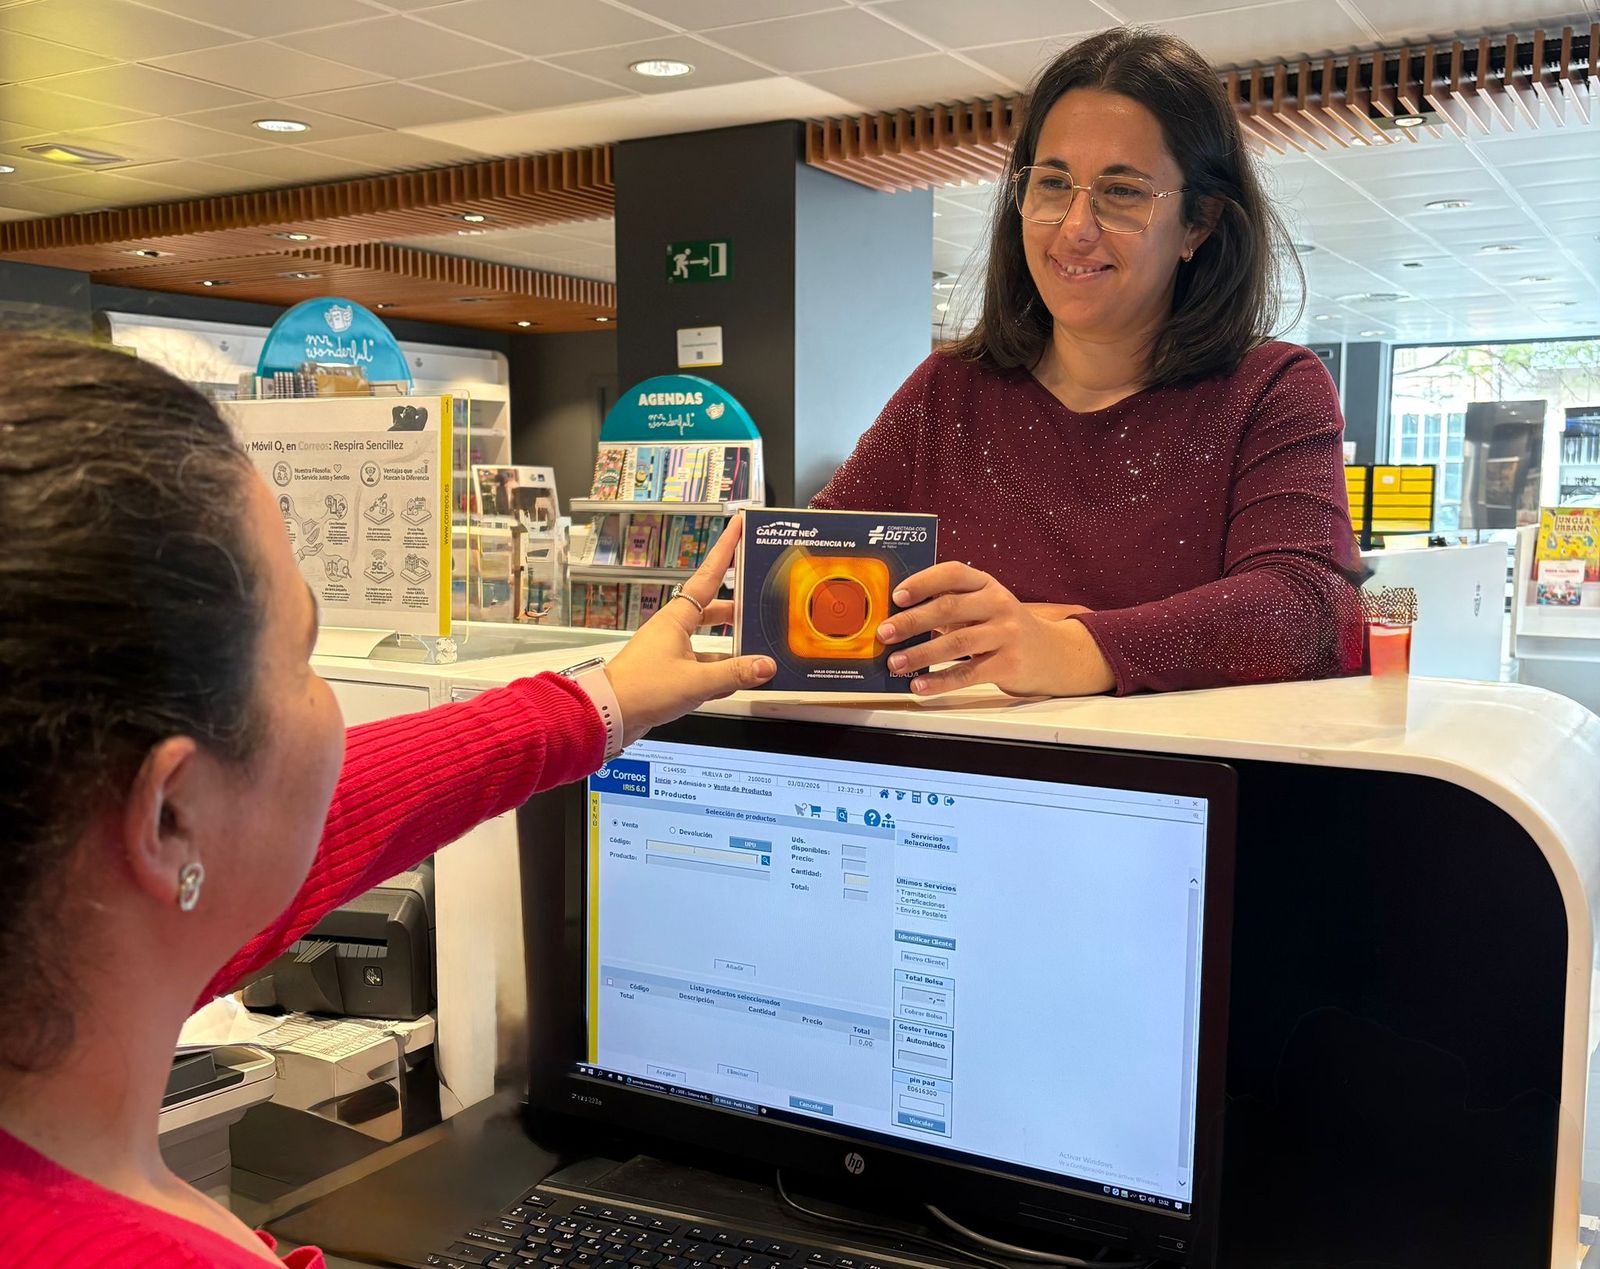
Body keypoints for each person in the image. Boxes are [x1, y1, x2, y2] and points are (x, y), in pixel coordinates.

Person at [0, 334, 774, 1267]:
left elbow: (343, 804)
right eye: (302, 654)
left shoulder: (65, 944)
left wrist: (601, 704)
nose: (335, 712)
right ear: (170, 817)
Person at [813, 27, 1364, 699]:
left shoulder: (1271, 392)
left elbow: (1307, 613)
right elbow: (814, 566)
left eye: (1123, 192)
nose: (1076, 226)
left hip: (1180, 798)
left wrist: (1069, 645)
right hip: (958, 789)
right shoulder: (947, 392)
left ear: (1200, 222)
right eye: (1053, 184)